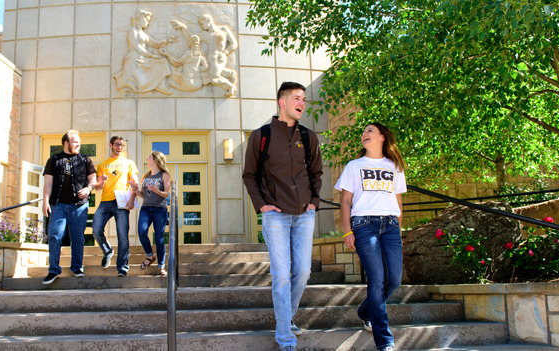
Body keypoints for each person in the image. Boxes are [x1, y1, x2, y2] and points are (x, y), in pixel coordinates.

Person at [242, 81, 323, 351]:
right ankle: (285, 337)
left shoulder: (309, 137)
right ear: (283, 102)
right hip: (275, 215)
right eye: (298, 98)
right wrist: (262, 205)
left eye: (304, 99)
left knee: (302, 272)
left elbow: (316, 174)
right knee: (282, 275)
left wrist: (313, 202)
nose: (302, 103)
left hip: (304, 214)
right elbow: (249, 175)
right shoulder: (261, 136)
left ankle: (286, 319)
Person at [335, 122, 407, 351]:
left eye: (370, 131)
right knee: (376, 280)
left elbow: (398, 203)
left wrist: (398, 228)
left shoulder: (394, 166)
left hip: (390, 225)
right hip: (364, 225)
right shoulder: (354, 166)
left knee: (393, 280)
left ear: (382, 137)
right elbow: (345, 201)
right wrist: (347, 231)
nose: (364, 134)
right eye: (364, 132)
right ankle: (385, 342)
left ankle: (366, 310)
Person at [42, 130, 97, 285]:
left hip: (78, 206)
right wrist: (45, 201)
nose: (78, 144)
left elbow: (93, 180)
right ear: (66, 143)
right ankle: (53, 270)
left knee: (78, 237)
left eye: (79, 141)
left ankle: (77, 267)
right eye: (75, 142)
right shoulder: (54, 160)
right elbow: (48, 183)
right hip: (58, 205)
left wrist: (88, 189)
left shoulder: (85, 160)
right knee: (54, 235)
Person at [92, 136, 139, 277]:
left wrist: (132, 199)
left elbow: (135, 184)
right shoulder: (102, 165)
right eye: (117, 145)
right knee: (96, 229)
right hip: (105, 201)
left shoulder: (129, 163)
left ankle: (123, 267)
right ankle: (107, 251)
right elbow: (97, 188)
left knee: (123, 236)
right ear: (110, 145)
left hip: (122, 201)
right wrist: (102, 182)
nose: (119, 147)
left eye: (122, 145)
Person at [170, 14, 238, 96]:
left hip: (219, 57)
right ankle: (229, 73)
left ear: (208, 21)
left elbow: (234, 44)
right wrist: (182, 27)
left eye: (202, 24)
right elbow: (192, 38)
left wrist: (225, 53)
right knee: (205, 76)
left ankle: (230, 87)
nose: (201, 26)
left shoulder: (224, 30)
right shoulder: (204, 34)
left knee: (214, 77)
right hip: (208, 58)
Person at [114, 10, 176, 94]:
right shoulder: (133, 31)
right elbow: (137, 47)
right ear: (140, 18)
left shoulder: (142, 33)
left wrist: (166, 41)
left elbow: (155, 44)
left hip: (143, 58)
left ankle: (161, 85)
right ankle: (159, 85)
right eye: (147, 20)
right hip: (135, 59)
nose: (148, 23)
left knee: (162, 61)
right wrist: (150, 55)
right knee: (160, 62)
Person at [131, 150, 172, 275]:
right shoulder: (146, 176)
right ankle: (150, 256)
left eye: (149, 157)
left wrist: (157, 190)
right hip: (146, 208)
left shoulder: (165, 175)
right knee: (142, 232)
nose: (147, 158)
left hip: (160, 209)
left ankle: (161, 266)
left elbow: (166, 194)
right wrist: (135, 190)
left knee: (159, 239)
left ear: (155, 160)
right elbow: (144, 195)